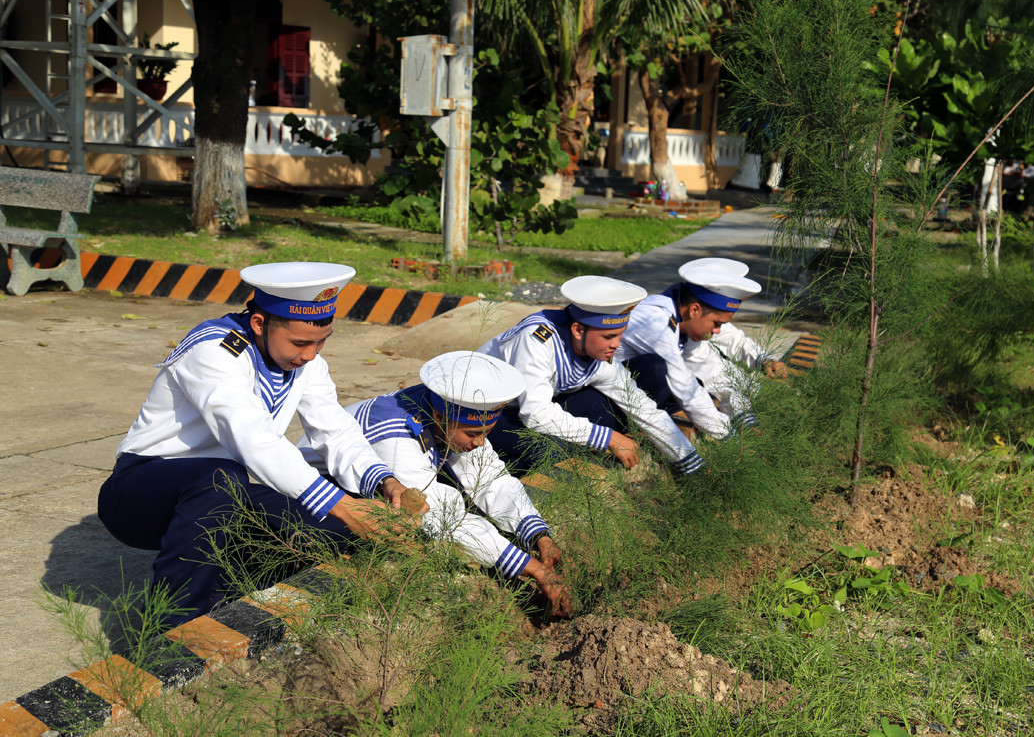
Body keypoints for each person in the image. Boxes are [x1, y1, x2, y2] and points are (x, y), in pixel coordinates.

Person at [97, 262, 425, 626]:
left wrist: (384, 483)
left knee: (343, 530)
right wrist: (340, 504)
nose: (311, 355)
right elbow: (253, 439)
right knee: (226, 477)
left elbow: (336, 432)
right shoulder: (213, 352)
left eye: (322, 341)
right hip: (140, 491)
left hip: (225, 494)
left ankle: (230, 596)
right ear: (259, 324)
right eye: (300, 343)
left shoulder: (308, 363)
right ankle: (171, 630)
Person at [301, 351, 572, 616]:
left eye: (485, 434)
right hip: (318, 489)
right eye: (474, 433)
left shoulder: (446, 407)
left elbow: (492, 479)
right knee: (398, 531)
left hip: (383, 478)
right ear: (441, 417)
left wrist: (539, 536)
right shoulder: (396, 438)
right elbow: (443, 514)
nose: (480, 442)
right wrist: (533, 569)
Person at [478, 275, 703, 477]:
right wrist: (609, 438)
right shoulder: (537, 340)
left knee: (605, 406)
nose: (616, 344)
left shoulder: (597, 352)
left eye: (620, 335)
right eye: (609, 336)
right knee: (549, 451)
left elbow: (640, 405)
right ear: (578, 330)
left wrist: (687, 459)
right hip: (482, 416)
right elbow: (535, 414)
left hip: (525, 408)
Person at [615, 258, 787, 438]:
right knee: (667, 373)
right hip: (605, 402)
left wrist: (746, 418)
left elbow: (713, 372)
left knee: (700, 386)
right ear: (694, 310)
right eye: (716, 323)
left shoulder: (683, 320)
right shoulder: (655, 324)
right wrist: (729, 436)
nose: (717, 331)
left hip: (632, 396)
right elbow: (686, 389)